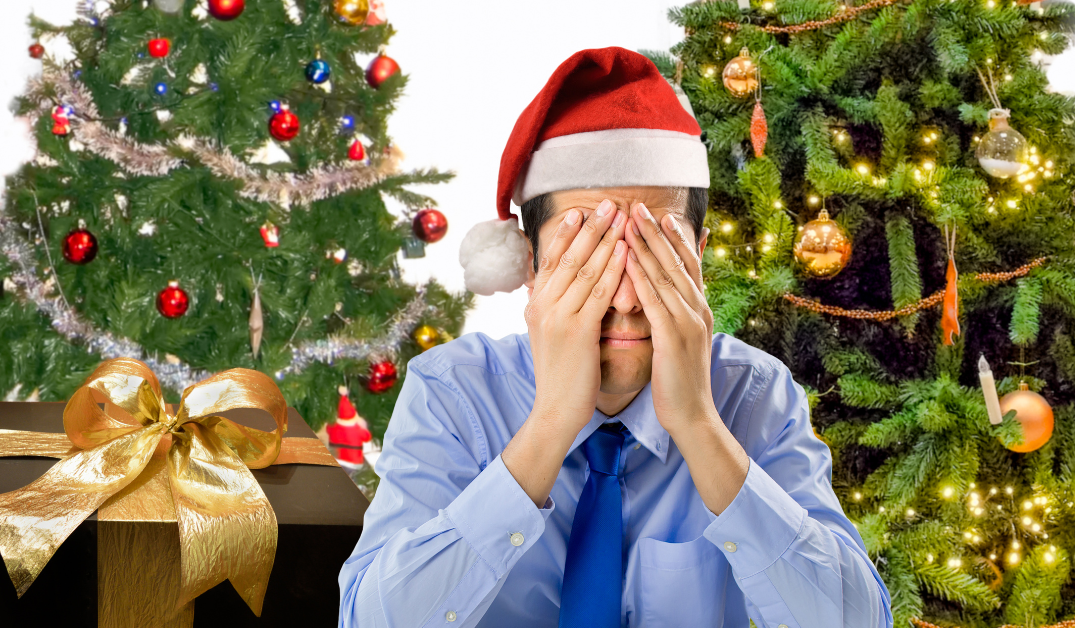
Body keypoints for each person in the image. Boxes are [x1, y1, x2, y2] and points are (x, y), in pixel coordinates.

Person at [338, 47, 892, 628]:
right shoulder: (452, 393)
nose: (626, 299)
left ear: (699, 259)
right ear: (530, 264)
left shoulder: (754, 397)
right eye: (589, 255)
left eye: (656, 253)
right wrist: (550, 424)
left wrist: (700, 427)